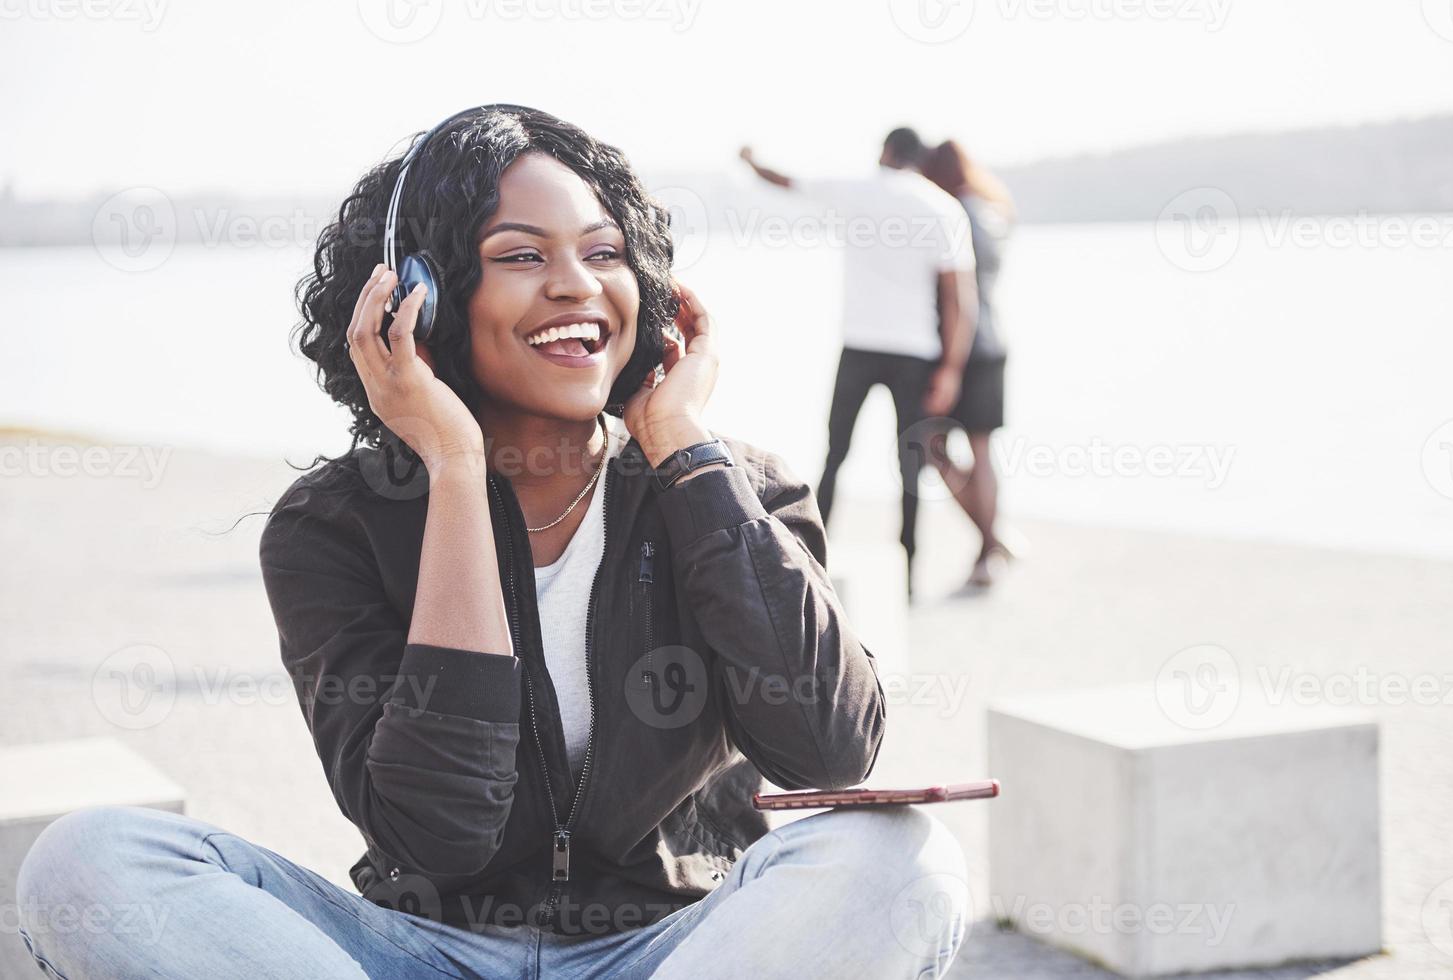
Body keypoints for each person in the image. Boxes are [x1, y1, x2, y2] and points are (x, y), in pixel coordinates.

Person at [15, 105, 969, 979]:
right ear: (420, 296)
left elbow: (831, 753)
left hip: (674, 951)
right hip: (415, 951)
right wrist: (455, 471)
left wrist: (682, 448)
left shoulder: (734, 488)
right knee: (87, 861)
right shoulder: (334, 526)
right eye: (520, 256)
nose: (575, 287)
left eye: (604, 252)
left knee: (899, 855)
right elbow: (437, 837)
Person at [740, 129, 976, 600]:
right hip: (917, 351)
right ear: (918, 158)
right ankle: (909, 575)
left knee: (836, 454)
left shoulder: (857, 190)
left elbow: (784, 180)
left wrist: (750, 159)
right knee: (910, 464)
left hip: (860, 346)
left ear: (886, 153)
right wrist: (951, 369)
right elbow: (959, 301)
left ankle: (811, 562)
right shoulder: (943, 208)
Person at [920, 140, 1017, 588]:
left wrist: (950, 365)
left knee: (934, 450)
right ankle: (991, 539)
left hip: (959, 349)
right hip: (993, 342)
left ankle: (988, 543)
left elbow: (956, 295)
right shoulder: (992, 211)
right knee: (979, 453)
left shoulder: (954, 216)